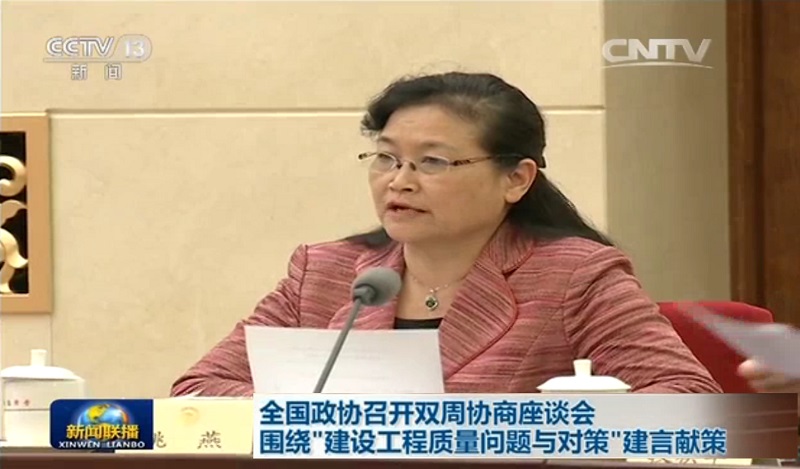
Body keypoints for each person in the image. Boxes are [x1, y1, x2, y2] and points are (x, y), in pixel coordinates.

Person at [171, 72, 721, 397]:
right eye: (386, 158)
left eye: (432, 162)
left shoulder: (573, 276)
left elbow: (686, 396)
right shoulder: (325, 273)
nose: (399, 181)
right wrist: (320, 418)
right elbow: (199, 389)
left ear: (516, 178)